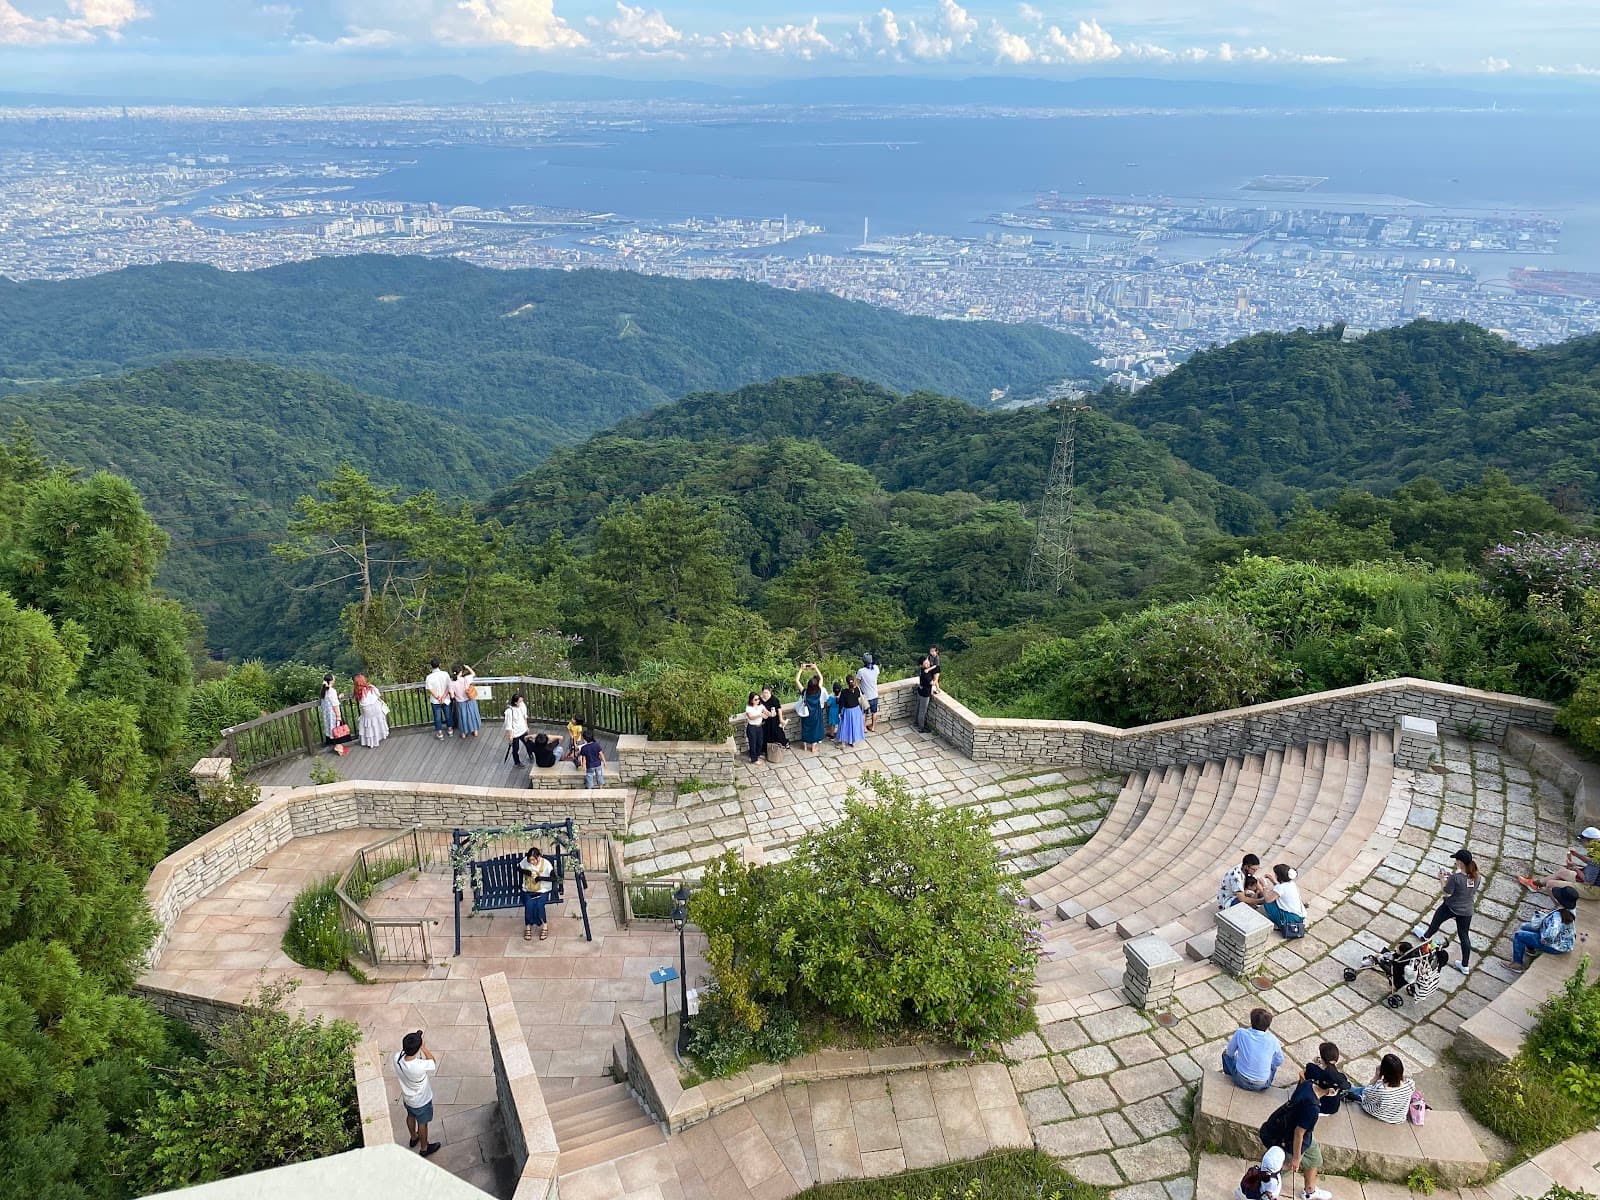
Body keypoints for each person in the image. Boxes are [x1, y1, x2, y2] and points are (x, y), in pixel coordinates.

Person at [1260, 1067, 1344, 1200]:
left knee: (1315, 1158)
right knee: (1278, 1171)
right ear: (1331, 1091)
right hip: (1291, 1139)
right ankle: (1257, 1189)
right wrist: (1296, 1159)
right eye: (1338, 1090)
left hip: (1301, 1134)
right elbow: (1298, 1133)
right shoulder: (1313, 1109)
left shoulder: (1308, 1083)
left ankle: (1309, 1192)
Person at [1412, 847, 1479, 975]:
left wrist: (1442, 878)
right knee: (1464, 936)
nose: (1455, 862)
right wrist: (1452, 877)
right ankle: (1465, 965)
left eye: (1456, 861)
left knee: (1435, 924)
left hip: (1450, 907)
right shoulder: (1476, 876)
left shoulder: (1456, 878)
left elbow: (1447, 891)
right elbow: (1467, 889)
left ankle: (1425, 937)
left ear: (1460, 863)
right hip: (1467, 910)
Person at [393, 1030, 442, 1157]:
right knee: (422, 1123)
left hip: (407, 1098)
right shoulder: (419, 1066)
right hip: (421, 1101)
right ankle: (424, 1148)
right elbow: (433, 1062)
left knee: (410, 1115)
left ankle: (414, 1137)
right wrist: (424, 1048)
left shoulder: (396, 1058)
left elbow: (406, 1053)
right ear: (417, 1048)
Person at [1520, 825, 1600, 899]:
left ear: (1590, 841)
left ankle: (1560, 908)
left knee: (1550, 885)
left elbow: (1587, 881)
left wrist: (1574, 868)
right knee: (1562, 872)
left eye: (1583, 840)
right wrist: (1577, 855)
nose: (1582, 842)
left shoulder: (1596, 859)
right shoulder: (1597, 851)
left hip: (1592, 890)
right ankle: (1534, 884)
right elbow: (1591, 862)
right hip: (1591, 880)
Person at [1222, 1008, 1283, 1091]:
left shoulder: (1241, 1033)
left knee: (1225, 1054)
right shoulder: (1273, 1040)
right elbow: (1279, 1061)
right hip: (1261, 1085)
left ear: (1251, 1021)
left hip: (1240, 1079)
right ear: (1268, 1026)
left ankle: (1228, 1077)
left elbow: (1229, 1053)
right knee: (1273, 1066)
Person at [1511, 894, 1579, 969]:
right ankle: (1531, 950)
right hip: (1564, 941)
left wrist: (1542, 939)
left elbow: (1551, 934)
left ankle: (1517, 964)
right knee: (1524, 927)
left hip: (1555, 946)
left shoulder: (1556, 918)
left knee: (1519, 935)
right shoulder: (1568, 910)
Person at [1346, 1053, 1414, 1124]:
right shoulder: (1410, 1084)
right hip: (1399, 1117)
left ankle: (1347, 1089)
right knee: (1367, 1091)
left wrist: (1376, 1076)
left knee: (1361, 1090)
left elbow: (1366, 1092)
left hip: (1380, 1114)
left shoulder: (1381, 1089)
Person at [518, 845, 556, 941]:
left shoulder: (546, 864)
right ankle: (528, 926)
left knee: (539, 905)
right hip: (528, 889)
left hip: (542, 889)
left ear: (538, 857)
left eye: (533, 860)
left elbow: (554, 878)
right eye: (530, 860)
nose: (532, 862)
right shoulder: (525, 862)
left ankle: (545, 925)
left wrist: (540, 878)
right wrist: (526, 872)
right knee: (529, 904)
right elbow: (518, 868)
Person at [1261, 865, 1307, 932]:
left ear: (1279, 877)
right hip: (1299, 916)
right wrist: (1272, 880)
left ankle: (1279, 924)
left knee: (1267, 902)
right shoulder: (1292, 884)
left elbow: (1268, 899)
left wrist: (1264, 886)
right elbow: (1281, 888)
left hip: (1291, 919)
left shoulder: (1281, 888)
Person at [795, 663, 826, 752]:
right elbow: (821, 678)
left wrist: (801, 669)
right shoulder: (819, 691)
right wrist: (816, 668)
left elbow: (797, 680)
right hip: (816, 713)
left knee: (805, 728)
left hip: (806, 713)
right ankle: (813, 747)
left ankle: (804, 746)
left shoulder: (805, 692)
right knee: (815, 729)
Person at [354, 674, 389, 748]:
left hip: (367, 709)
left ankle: (371, 742)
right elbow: (378, 695)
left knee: (369, 724)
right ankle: (379, 736)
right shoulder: (371, 687)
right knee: (377, 722)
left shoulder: (358, 692)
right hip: (376, 706)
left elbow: (357, 699)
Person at [504, 691, 536, 766]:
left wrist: (526, 726)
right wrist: (510, 736)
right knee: (515, 748)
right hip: (515, 733)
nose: (522, 702)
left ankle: (530, 755)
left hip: (523, 730)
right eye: (520, 701)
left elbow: (524, 716)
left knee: (528, 744)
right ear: (515, 702)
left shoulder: (522, 706)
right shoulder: (509, 711)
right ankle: (517, 762)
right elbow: (508, 725)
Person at [424, 659, 452, 740]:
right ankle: (450, 730)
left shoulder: (429, 677)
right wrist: (443, 696)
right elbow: (448, 686)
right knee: (448, 715)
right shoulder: (445, 674)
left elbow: (429, 688)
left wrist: (438, 697)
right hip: (446, 699)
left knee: (437, 717)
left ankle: (440, 733)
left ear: (431, 666)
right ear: (439, 664)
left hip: (435, 700)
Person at [453, 664, 482, 738]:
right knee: (472, 715)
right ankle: (475, 731)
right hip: (470, 700)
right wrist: (468, 667)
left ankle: (463, 733)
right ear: (461, 672)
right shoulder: (466, 679)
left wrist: (457, 697)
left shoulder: (452, 683)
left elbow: (452, 695)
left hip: (460, 702)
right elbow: (473, 674)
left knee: (463, 717)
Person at [836, 673, 865, 748]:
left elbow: (841, 703)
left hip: (848, 711)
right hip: (856, 711)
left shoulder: (844, 692)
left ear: (847, 682)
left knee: (844, 726)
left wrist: (839, 712)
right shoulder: (857, 690)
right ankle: (853, 742)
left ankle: (843, 744)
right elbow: (858, 698)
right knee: (854, 726)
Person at [914, 655, 940, 734]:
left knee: (918, 708)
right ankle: (921, 727)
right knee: (922, 711)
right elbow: (932, 683)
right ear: (921, 665)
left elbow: (936, 667)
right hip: (925, 694)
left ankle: (916, 722)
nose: (928, 663)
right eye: (925, 663)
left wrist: (931, 668)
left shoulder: (922, 670)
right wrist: (936, 678)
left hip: (920, 691)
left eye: (927, 661)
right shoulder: (926, 674)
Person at [760, 685, 789, 750]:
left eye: (767, 692)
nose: (765, 694)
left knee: (778, 732)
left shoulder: (774, 699)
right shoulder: (760, 699)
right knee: (765, 734)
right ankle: (767, 749)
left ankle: (783, 744)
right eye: (764, 692)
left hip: (774, 719)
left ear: (770, 692)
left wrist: (781, 719)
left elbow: (779, 709)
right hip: (765, 719)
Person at [858, 653, 881, 732]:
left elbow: (857, 683)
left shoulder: (861, 671)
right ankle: (873, 727)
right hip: (874, 694)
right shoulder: (876, 668)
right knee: (874, 712)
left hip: (865, 696)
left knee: (863, 713)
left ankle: (864, 728)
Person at [743, 692, 767, 764]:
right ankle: (754, 759)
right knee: (752, 743)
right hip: (752, 727)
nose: (758, 701)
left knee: (760, 742)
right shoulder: (748, 708)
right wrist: (760, 715)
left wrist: (770, 713)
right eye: (756, 699)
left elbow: (766, 711)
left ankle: (758, 754)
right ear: (751, 700)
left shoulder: (761, 706)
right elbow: (750, 717)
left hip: (759, 726)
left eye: (758, 699)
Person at [319, 673, 343, 742]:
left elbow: (328, 701)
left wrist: (338, 697)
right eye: (333, 678)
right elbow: (335, 704)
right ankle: (338, 746)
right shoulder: (332, 691)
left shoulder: (323, 691)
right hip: (333, 714)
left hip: (327, 713)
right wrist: (338, 716)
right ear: (331, 681)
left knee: (330, 728)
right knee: (336, 729)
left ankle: (332, 743)